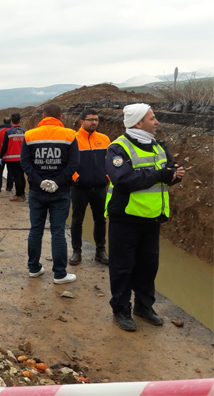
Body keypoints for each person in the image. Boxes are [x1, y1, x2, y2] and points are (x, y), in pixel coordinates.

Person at [105, 103, 184, 331]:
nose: (157, 122)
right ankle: (121, 309)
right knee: (122, 267)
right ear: (138, 122)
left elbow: (165, 174)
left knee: (149, 265)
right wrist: (161, 173)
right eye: (152, 118)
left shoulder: (158, 146)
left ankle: (143, 306)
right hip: (126, 217)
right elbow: (123, 180)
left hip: (152, 217)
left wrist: (175, 174)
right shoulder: (117, 148)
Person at [20, 103, 79, 284]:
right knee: (58, 232)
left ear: (43, 116)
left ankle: (33, 268)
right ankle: (60, 274)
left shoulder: (29, 135)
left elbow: (25, 163)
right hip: (60, 192)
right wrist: (57, 182)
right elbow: (73, 165)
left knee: (35, 230)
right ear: (60, 117)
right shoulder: (70, 135)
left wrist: (40, 181)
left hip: (37, 191)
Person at [69, 109, 111, 266]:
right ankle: (76, 251)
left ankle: (100, 251)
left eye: (96, 120)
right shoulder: (73, 139)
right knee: (77, 220)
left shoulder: (104, 139)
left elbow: (110, 161)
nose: (94, 122)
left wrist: (107, 177)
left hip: (100, 187)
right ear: (82, 121)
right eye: (90, 119)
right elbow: (67, 162)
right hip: (80, 188)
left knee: (100, 219)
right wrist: (76, 178)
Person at [0, 113, 27, 202]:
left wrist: (1, 156)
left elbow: (5, 146)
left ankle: (19, 195)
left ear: (12, 121)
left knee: (16, 177)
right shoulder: (25, 132)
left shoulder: (8, 132)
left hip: (12, 159)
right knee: (22, 176)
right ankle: (22, 194)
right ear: (20, 120)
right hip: (23, 158)